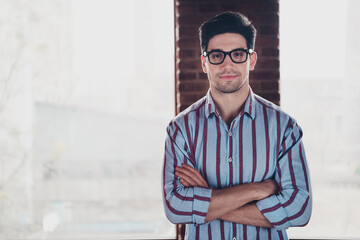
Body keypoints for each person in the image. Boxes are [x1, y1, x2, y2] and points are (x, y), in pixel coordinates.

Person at [162, 11, 312, 240]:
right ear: (204, 62)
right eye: (217, 56)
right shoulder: (181, 130)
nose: (227, 64)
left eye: (238, 54)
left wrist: (208, 199)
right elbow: (175, 207)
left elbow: (300, 209)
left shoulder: (285, 128)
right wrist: (257, 190)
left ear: (251, 60)